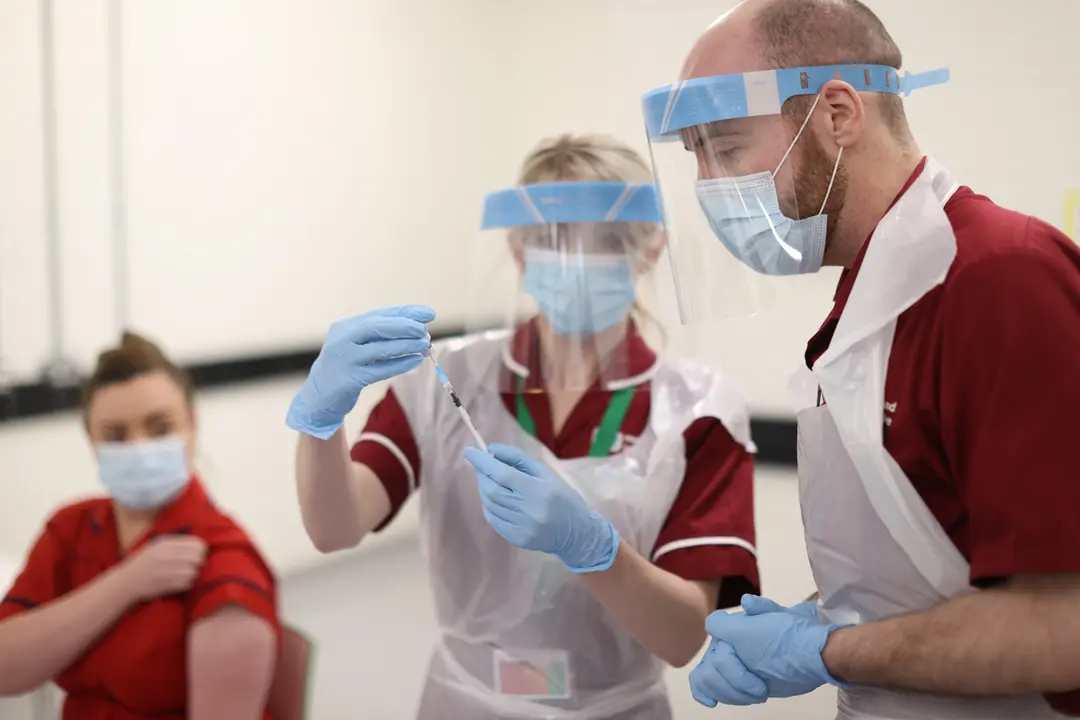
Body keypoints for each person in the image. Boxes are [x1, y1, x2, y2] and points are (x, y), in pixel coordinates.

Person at [637, 0, 1080, 717]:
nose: (711, 188)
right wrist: (819, 616)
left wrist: (826, 650)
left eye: (725, 145)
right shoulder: (869, 295)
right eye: (697, 158)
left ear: (838, 114)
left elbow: (1063, 626)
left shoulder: (999, 279)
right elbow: (931, 566)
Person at [288, 133, 760, 719]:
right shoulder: (446, 381)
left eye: (606, 241)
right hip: (466, 705)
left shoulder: (697, 410)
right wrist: (321, 419)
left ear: (650, 251)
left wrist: (595, 551)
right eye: (551, 242)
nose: (577, 262)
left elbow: (683, 636)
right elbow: (336, 528)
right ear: (518, 255)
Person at [0, 332, 281, 719]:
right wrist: (126, 584)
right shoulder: (71, 529)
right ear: (90, 440)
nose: (138, 448)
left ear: (192, 427)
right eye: (115, 435)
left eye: (160, 428)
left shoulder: (225, 567)